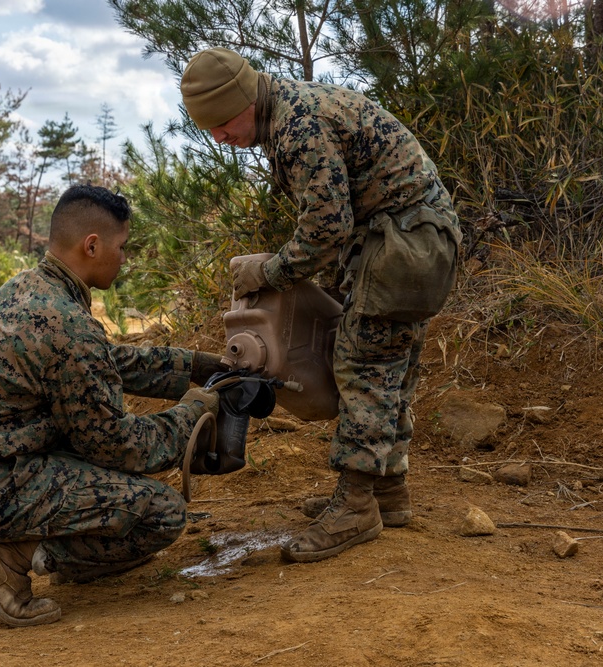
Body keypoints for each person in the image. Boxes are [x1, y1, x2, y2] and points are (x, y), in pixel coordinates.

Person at [180, 48, 462, 563]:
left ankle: (355, 507)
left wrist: (269, 273)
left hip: (404, 246)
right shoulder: (288, 111)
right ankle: (387, 491)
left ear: (245, 100)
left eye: (222, 123)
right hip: (412, 241)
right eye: (209, 129)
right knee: (389, 368)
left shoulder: (299, 126)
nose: (219, 137)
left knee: (364, 368)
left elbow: (327, 228)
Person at [0, 184, 227, 627]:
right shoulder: (66, 323)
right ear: (92, 246)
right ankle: (7, 558)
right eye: (122, 247)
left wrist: (193, 366)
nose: (125, 258)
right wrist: (192, 414)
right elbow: (118, 446)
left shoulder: (28, 288)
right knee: (161, 513)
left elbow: (105, 361)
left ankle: (10, 541)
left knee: (101, 477)